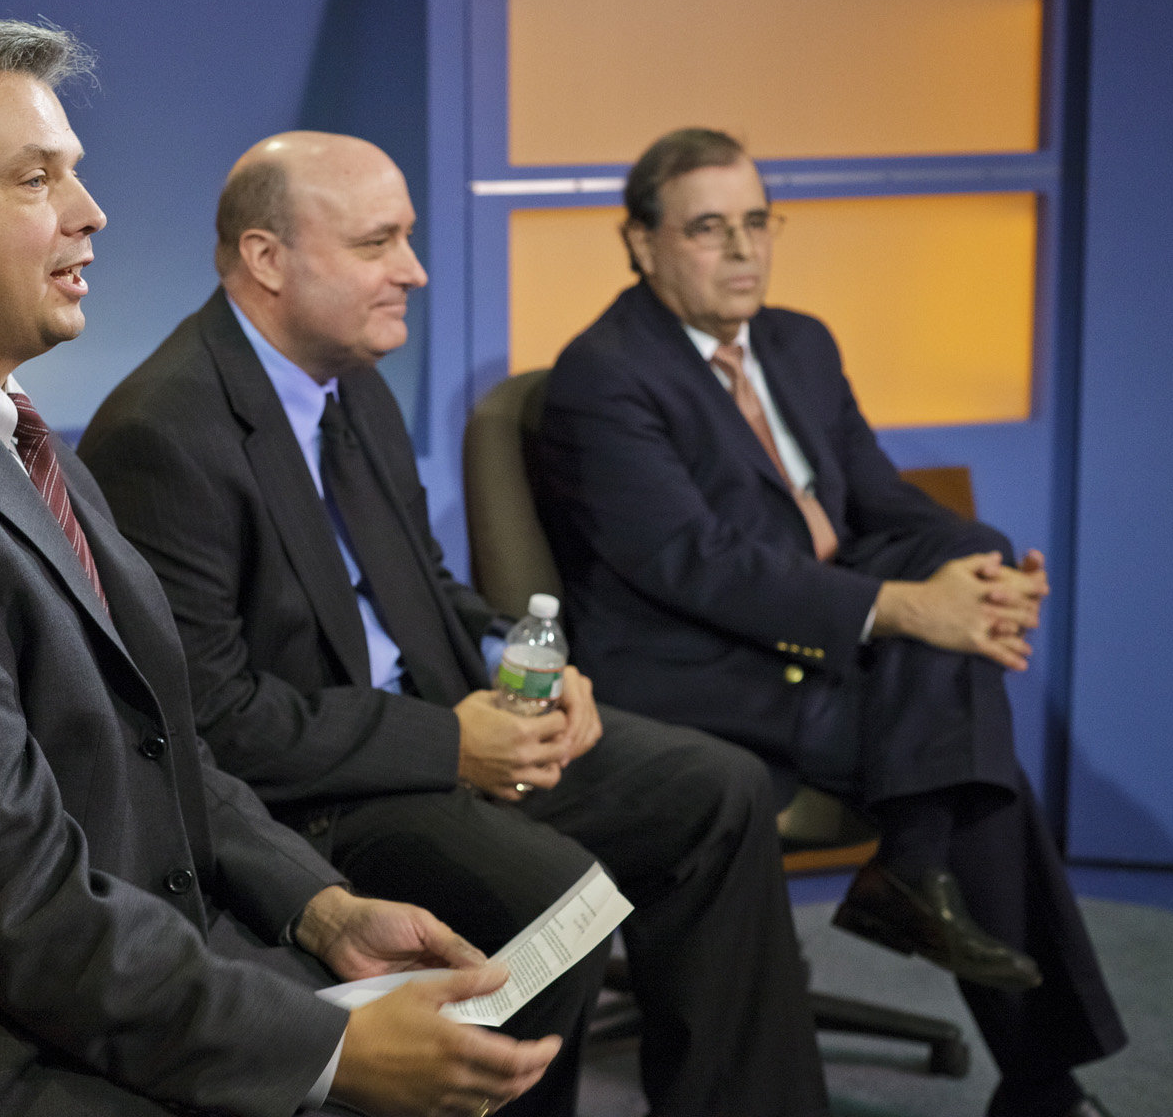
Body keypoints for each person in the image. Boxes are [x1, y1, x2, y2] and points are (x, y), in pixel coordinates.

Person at [0, 21, 568, 1117]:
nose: (92, 213)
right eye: (38, 179)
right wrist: (322, 1050)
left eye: (75, 173)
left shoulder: (7, 426)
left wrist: (319, 907)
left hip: (35, 969)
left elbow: (158, 748)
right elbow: (6, 897)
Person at [80, 130, 829, 1117]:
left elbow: (425, 586)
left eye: (410, 239)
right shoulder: (162, 431)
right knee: (554, 896)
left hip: (438, 730)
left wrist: (530, 660)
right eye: (378, 244)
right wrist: (452, 742)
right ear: (267, 259)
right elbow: (208, 716)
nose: (414, 271)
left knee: (718, 790)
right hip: (314, 796)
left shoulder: (356, 382)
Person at [533, 127, 1127, 1117]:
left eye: (759, 223)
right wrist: (905, 609)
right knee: (981, 766)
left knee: (954, 595)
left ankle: (922, 879)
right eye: (711, 228)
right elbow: (697, 566)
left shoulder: (800, 341)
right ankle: (1037, 1074)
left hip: (818, 634)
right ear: (639, 242)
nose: (745, 251)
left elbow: (880, 501)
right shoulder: (604, 373)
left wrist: (980, 572)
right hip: (695, 662)